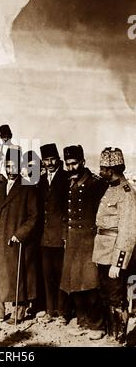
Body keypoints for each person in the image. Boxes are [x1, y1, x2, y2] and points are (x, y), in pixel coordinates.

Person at [0, 147, 38, 324]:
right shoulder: (0, 187)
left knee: (17, 275)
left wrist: (20, 234)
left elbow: (33, 216)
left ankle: (18, 312)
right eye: (7, 166)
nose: (10, 170)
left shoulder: (28, 188)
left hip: (14, 240)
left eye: (14, 166)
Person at [60, 145, 108, 340]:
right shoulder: (68, 182)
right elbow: (64, 213)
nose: (71, 167)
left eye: (74, 163)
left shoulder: (96, 184)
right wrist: (65, 235)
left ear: (83, 162)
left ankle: (97, 324)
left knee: (91, 283)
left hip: (90, 239)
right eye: (68, 164)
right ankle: (82, 321)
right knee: (74, 282)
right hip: (72, 240)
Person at [92, 147, 136, 343]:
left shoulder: (126, 193)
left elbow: (128, 232)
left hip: (114, 254)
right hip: (102, 251)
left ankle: (119, 337)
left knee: (116, 297)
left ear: (112, 169)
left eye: (103, 168)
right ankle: (112, 334)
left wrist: (118, 263)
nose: (100, 171)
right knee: (106, 294)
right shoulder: (110, 188)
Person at [38, 143, 69, 324]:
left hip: (60, 237)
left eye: (52, 159)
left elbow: (68, 209)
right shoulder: (41, 181)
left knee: (61, 274)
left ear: (58, 160)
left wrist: (65, 234)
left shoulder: (65, 179)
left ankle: (63, 312)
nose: (49, 163)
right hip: (44, 238)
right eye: (46, 160)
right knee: (47, 274)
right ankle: (50, 310)